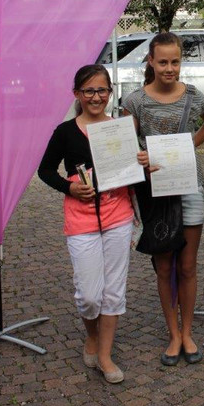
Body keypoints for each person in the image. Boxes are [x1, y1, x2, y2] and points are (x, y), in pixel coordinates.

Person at [123, 32, 204, 366]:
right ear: (151, 61)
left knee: (187, 266)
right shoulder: (135, 101)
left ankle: (187, 332)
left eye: (175, 62)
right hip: (155, 191)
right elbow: (125, 145)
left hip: (188, 186)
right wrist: (140, 158)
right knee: (163, 266)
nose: (169, 68)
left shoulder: (193, 96)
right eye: (162, 62)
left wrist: (190, 144)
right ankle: (173, 334)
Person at [38, 64, 134, 384]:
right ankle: (91, 333)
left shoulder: (119, 129)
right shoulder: (65, 132)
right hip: (81, 219)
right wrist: (70, 188)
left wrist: (143, 163)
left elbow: (132, 171)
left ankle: (105, 354)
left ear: (110, 92)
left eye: (102, 90)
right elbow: (45, 171)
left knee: (113, 290)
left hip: (118, 215)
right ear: (77, 94)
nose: (96, 97)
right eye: (89, 91)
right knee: (89, 296)